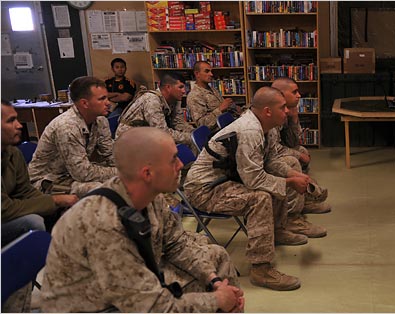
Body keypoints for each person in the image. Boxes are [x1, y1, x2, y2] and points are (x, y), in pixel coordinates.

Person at [40, 127, 244, 312]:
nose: (181, 165)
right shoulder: (102, 222)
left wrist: (214, 282)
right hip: (93, 306)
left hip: (130, 285)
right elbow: (151, 308)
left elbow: (176, 244)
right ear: (147, 173)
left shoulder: (149, 195)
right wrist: (217, 301)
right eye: (173, 159)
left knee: (216, 256)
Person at [184, 86, 312, 291]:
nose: (287, 111)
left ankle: (277, 231)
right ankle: (260, 269)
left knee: (274, 180)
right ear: (268, 111)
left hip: (225, 181)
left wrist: (292, 175)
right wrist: (289, 184)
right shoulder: (250, 130)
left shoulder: (265, 126)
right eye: (282, 108)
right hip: (204, 189)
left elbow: (270, 162)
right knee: (259, 198)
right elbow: (253, 179)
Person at [1, 100, 78, 313]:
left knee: (61, 209)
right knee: (32, 222)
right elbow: (4, 209)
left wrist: (54, 204)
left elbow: (24, 192)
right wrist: (53, 201)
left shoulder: (11, 153)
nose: (19, 125)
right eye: (11, 120)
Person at [28, 76, 117, 197]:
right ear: (84, 103)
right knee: (103, 189)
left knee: (125, 181)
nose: (108, 103)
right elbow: (83, 173)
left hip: (71, 175)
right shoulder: (67, 127)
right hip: (48, 180)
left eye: (107, 97)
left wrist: (129, 168)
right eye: (102, 99)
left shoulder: (100, 121)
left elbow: (110, 155)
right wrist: (121, 172)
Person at [271, 77, 332, 215]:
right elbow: (273, 148)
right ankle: (292, 216)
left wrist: (294, 119)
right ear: (281, 93)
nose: (299, 95)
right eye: (295, 92)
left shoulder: (285, 110)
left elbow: (292, 143)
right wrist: (298, 156)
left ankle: (302, 200)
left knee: (301, 150)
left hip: (273, 152)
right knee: (293, 161)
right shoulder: (270, 111)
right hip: (264, 159)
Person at [116, 73, 194, 146]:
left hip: (146, 135)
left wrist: (194, 133)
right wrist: (190, 138)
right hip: (128, 140)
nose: (184, 91)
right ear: (168, 87)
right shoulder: (152, 100)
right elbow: (162, 133)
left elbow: (178, 123)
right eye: (180, 87)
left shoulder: (174, 99)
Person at [186, 61, 241, 131]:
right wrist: (220, 109)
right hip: (216, 134)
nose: (211, 74)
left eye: (211, 71)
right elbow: (202, 124)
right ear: (197, 74)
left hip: (227, 126)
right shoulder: (194, 96)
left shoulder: (213, 90)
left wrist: (234, 108)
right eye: (207, 71)